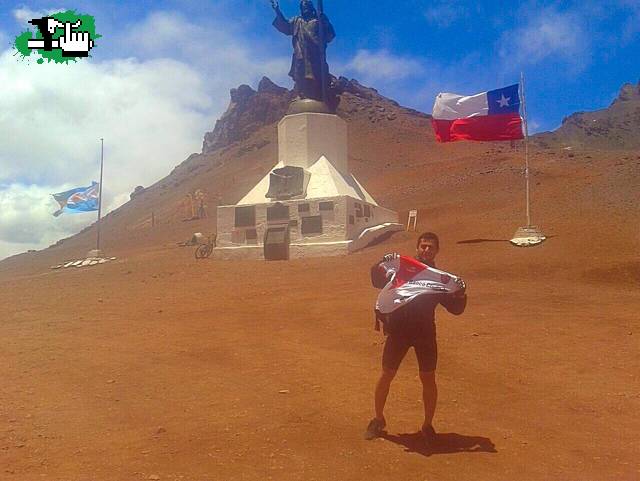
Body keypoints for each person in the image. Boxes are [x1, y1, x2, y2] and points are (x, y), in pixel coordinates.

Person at [365, 232, 467, 444]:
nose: (426, 250)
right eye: (423, 246)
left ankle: (427, 425)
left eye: (431, 247)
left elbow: (456, 309)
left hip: (425, 334)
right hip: (399, 332)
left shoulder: (439, 279)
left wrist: (460, 293)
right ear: (418, 248)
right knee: (386, 374)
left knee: (428, 378)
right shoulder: (403, 269)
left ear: (437, 250)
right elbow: (376, 280)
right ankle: (378, 419)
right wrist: (380, 263)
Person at [270, 0, 335, 103]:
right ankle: (302, 94)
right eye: (303, 6)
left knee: (317, 76)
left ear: (311, 7)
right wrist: (277, 10)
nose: (306, 8)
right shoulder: (297, 21)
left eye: (308, 6)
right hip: (300, 54)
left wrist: (325, 22)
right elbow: (286, 26)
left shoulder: (318, 20)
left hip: (316, 55)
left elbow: (330, 36)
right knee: (300, 73)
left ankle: (318, 97)